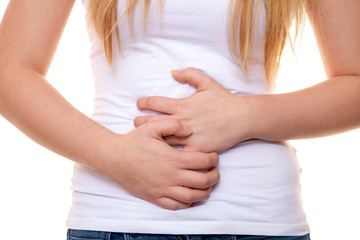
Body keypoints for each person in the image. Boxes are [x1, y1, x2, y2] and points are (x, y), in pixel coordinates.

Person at [0, 0, 359, 240]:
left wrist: (247, 115)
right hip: (115, 216)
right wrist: (115, 156)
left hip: (260, 220)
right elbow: (8, 72)